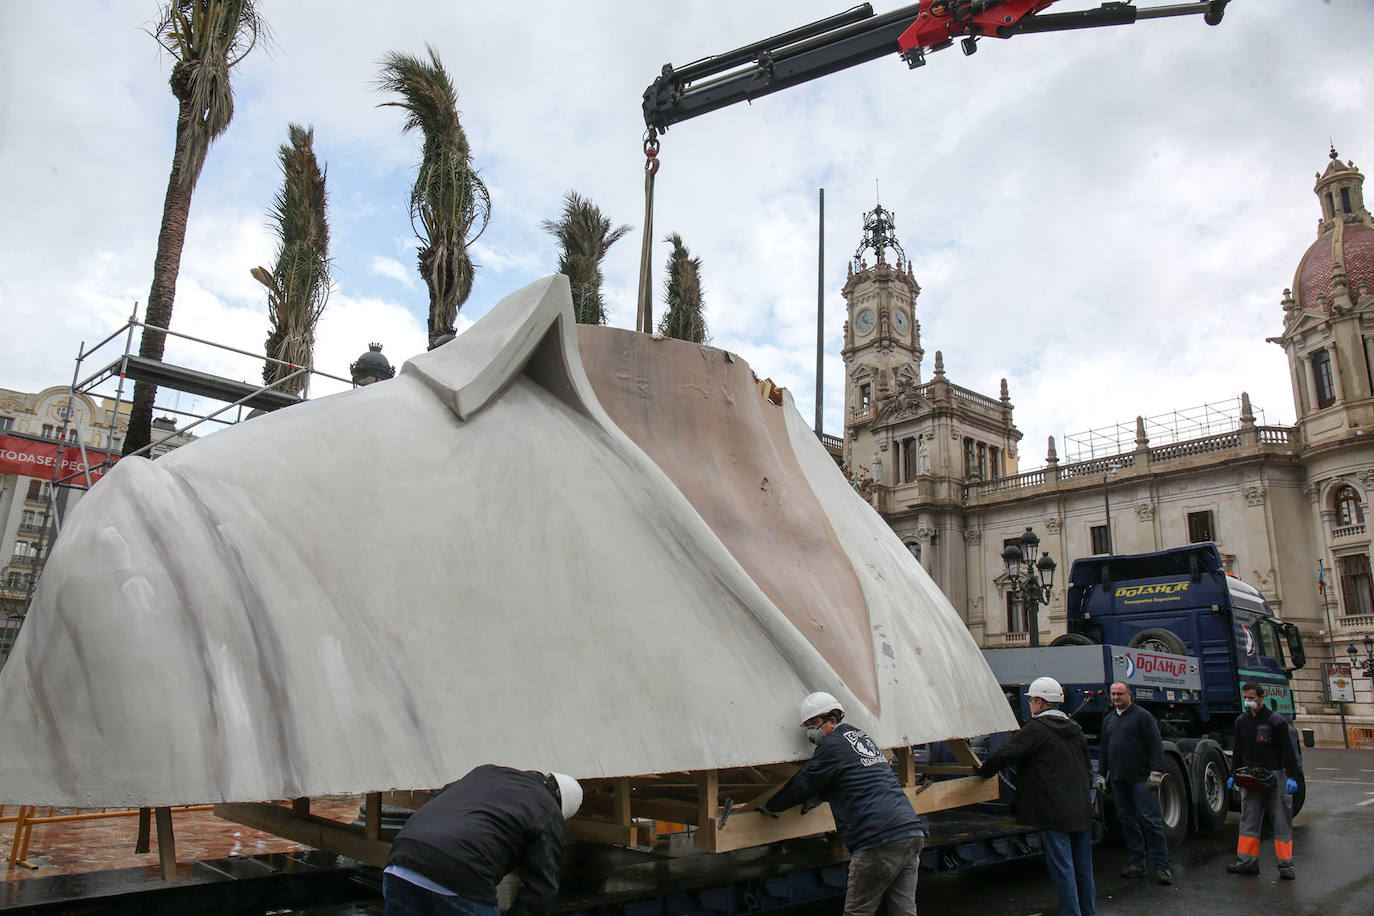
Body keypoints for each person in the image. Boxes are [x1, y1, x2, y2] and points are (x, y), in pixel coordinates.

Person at [764, 691, 926, 916]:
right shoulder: (860, 738)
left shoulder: (831, 746)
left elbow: (804, 783)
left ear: (832, 720)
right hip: (910, 832)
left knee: (858, 911)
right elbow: (847, 780)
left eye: (814, 723)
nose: (811, 731)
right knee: (904, 910)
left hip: (877, 839)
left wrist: (770, 805)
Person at [384, 765, 583, 915]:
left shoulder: (487, 772)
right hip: (459, 872)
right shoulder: (548, 809)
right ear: (560, 808)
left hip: (402, 860)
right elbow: (542, 888)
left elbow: (444, 796)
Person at [976, 677, 1096, 916]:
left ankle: (1072, 913)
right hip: (1081, 807)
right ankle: (1088, 913)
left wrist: (983, 771)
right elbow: (1087, 767)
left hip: (1053, 810)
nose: (1030, 704)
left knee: (1062, 867)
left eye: (1031, 700)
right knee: (1083, 867)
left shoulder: (1036, 729)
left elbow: (1005, 754)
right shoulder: (1075, 729)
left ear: (1040, 702)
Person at [1096, 681, 1171, 884]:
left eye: (1120, 694)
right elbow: (1104, 749)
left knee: (1150, 821)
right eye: (1112, 694)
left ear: (1130, 694)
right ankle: (1137, 864)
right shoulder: (1109, 720)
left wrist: (1156, 771)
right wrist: (1101, 774)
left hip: (1141, 779)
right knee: (1128, 821)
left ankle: (1162, 867)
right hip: (1119, 779)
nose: (1116, 698)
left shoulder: (1143, 716)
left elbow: (1156, 745)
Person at [1226, 682, 1301, 880]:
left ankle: (1286, 866)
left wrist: (1292, 777)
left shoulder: (1275, 721)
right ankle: (1247, 862)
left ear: (1262, 697)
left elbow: (1288, 751)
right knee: (1249, 818)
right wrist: (1233, 774)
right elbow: (1238, 750)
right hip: (1251, 774)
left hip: (1274, 774)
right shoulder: (1242, 721)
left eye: (1252, 697)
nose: (1248, 701)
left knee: (1280, 819)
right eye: (1246, 697)